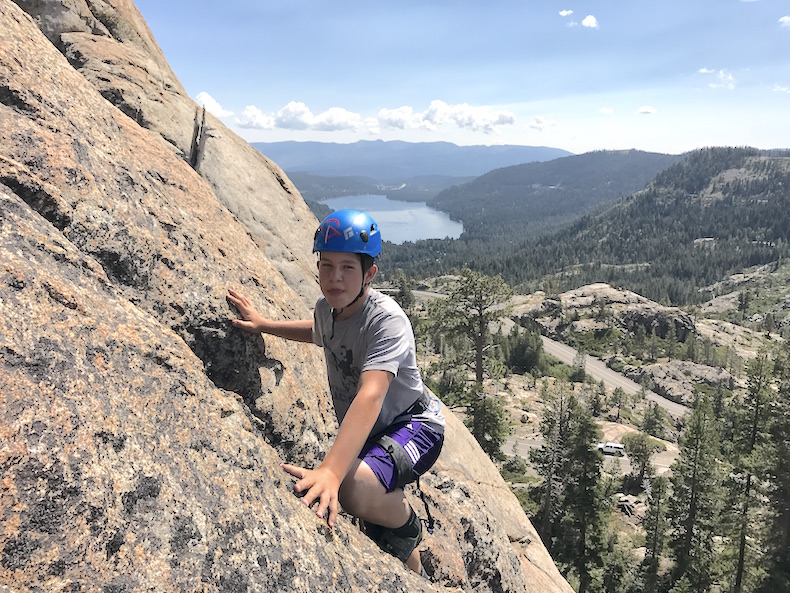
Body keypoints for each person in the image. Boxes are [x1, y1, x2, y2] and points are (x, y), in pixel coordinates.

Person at [226, 209, 445, 576]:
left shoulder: (385, 321)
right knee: (375, 524)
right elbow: (317, 332)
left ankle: (407, 523)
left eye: (347, 267)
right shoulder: (329, 310)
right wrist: (265, 325)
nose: (335, 277)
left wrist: (330, 470)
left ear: (369, 273)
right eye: (326, 265)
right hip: (377, 432)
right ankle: (413, 574)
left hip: (415, 426)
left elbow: (372, 394)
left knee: (352, 488)